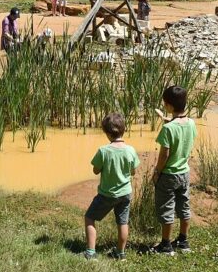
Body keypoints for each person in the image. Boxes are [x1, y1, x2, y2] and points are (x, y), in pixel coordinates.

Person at [83, 112, 140, 261]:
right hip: (126, 193)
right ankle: (120, 253)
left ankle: (90, 251)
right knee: (123, 222)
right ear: (123, 130)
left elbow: (95, 169)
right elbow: (133, 171)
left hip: (107, 194)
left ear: (108, 134)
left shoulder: (103, 151)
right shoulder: (131, 150)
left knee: (89, 217)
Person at [152, 86, 197, 255]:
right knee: (184, 207)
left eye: (165, 104)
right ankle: (183, 242)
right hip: (184, 173)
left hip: (169, 175)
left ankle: (165, 245)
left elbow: (165, 154)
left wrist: (157, 172)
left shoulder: (168, 129)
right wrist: (167, 119)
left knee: (166, 208)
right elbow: (183, 132)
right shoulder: (191, 123)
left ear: (169, 106)